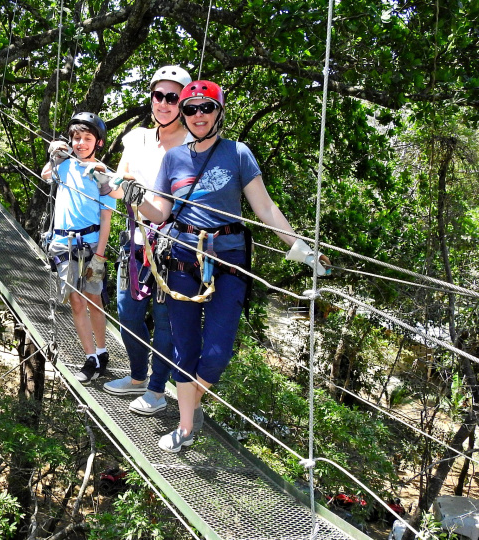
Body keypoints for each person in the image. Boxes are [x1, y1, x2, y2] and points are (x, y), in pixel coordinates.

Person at [121, 80, 330, 452]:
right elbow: (160, 213)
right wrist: (133, 198)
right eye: (190, 109)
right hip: (183, 258)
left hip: (228, 258)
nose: (198, 115)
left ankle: (190, 403)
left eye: (206, 108)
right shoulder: (173, 159)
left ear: (219, 112)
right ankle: (186, 429)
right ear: (183, 116)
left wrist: (301, 247)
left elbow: (264, 208)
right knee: (185, 347)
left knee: (216, 353)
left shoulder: (237, 153)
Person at [102, 65, 193, 416]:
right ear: (151, 98)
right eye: (159, 96)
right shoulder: (137, 138)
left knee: (165, 318)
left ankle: (157, 390)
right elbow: (117, 180)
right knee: (127, 312)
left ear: (183, 102)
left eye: (173, 97)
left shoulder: (193, 146)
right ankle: (138, 376)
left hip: (174, 244)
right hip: (136, 241)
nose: (165, 104)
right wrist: (87, 170)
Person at [41, 112, 117, 384]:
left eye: (87, 138)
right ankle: (90, 358)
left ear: (98, 142)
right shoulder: (65, 164)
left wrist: (100, 256)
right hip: (64, 243)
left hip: (92, 244)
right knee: (75, 301)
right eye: (76, 138)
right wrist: (56, 151)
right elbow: (45, 174)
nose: (81, 143)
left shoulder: (104, 175)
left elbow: (107, 218)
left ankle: (102, 350)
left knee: (94, 300)